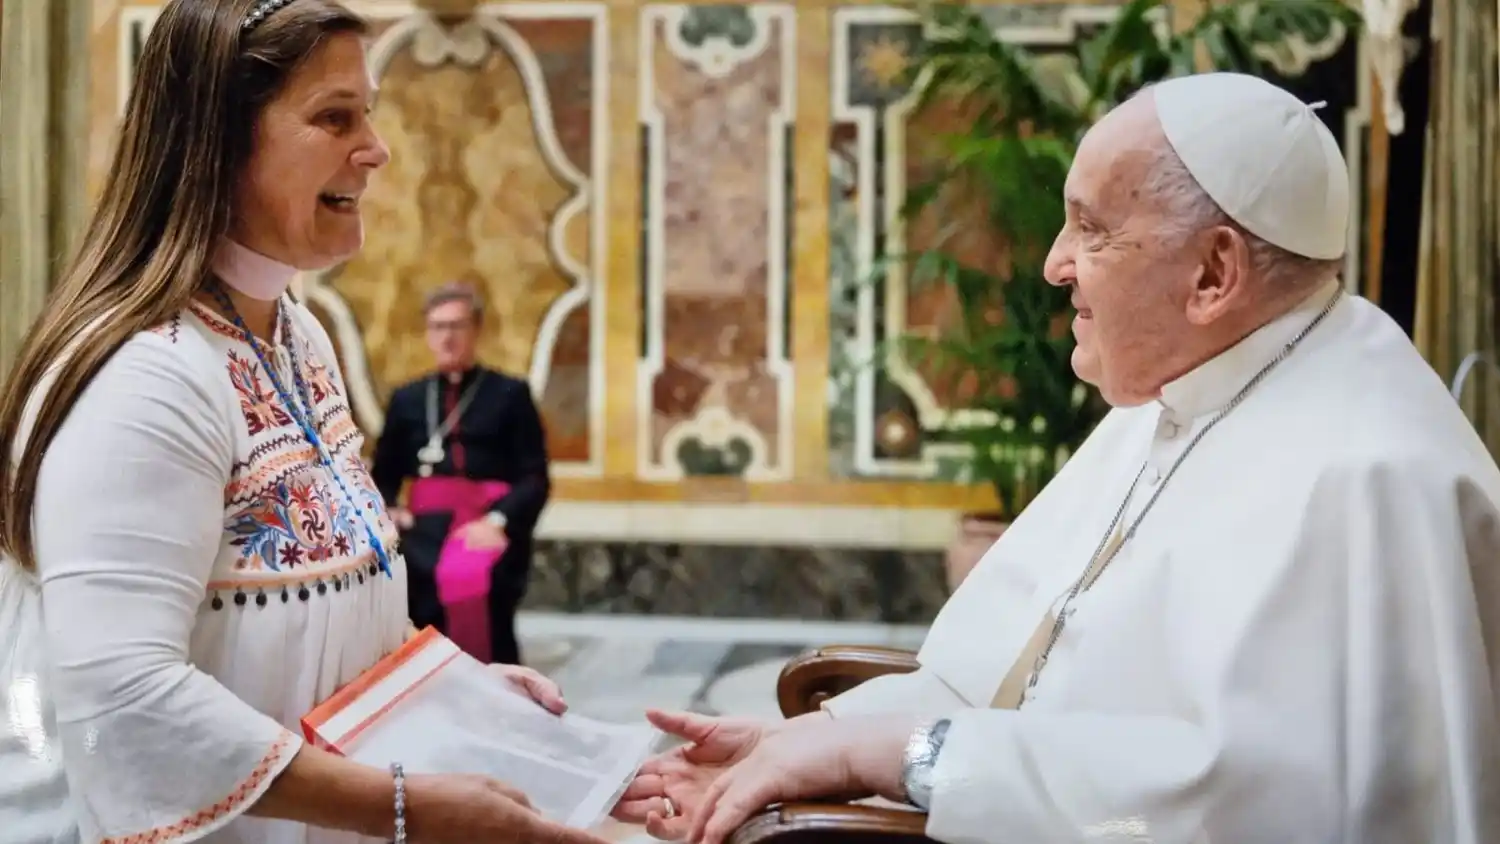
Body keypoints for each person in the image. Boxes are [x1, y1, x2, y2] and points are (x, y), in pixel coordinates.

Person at [611, 73, 1500, 844]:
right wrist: (805, 742)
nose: (1053, 263)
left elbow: (1227, 814)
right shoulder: (1177, 396)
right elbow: (1008, 672)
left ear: (1213, 275)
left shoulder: (1371, 480)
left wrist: (887, 755)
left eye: (1089, 228)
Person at [0, 2, 595, 843]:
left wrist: (457, 690)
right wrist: (410, 806)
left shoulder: (295, 334)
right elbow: (124, 705)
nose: (375, 147)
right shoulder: (143, 380)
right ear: (218, 141)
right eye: (333, 116)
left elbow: (333, 600)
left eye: (368, 111)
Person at [370, 282, 551, 666]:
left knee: (484, 592)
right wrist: (387, 507)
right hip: (423, 528)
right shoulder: (408, 398)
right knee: (410, 595)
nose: (447, 337)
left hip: (486, 523)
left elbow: (535, 477)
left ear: (476, 330)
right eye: (437, 327)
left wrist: (499, 520)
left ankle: (495, 692)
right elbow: (382, 470)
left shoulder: (510, 394)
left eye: (456, 326)